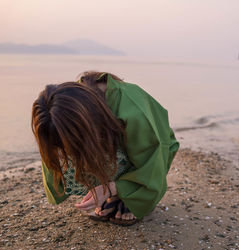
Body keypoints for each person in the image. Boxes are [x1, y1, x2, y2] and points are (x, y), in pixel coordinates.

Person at [31, 71, 179, 225]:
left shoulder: (132, 109)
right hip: (102, 142)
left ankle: (128, 194)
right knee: (65, 149)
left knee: (134, 164)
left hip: (151, 151)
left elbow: (154, 159)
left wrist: (115, 188)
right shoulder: (68, 107)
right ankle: (111, 193)